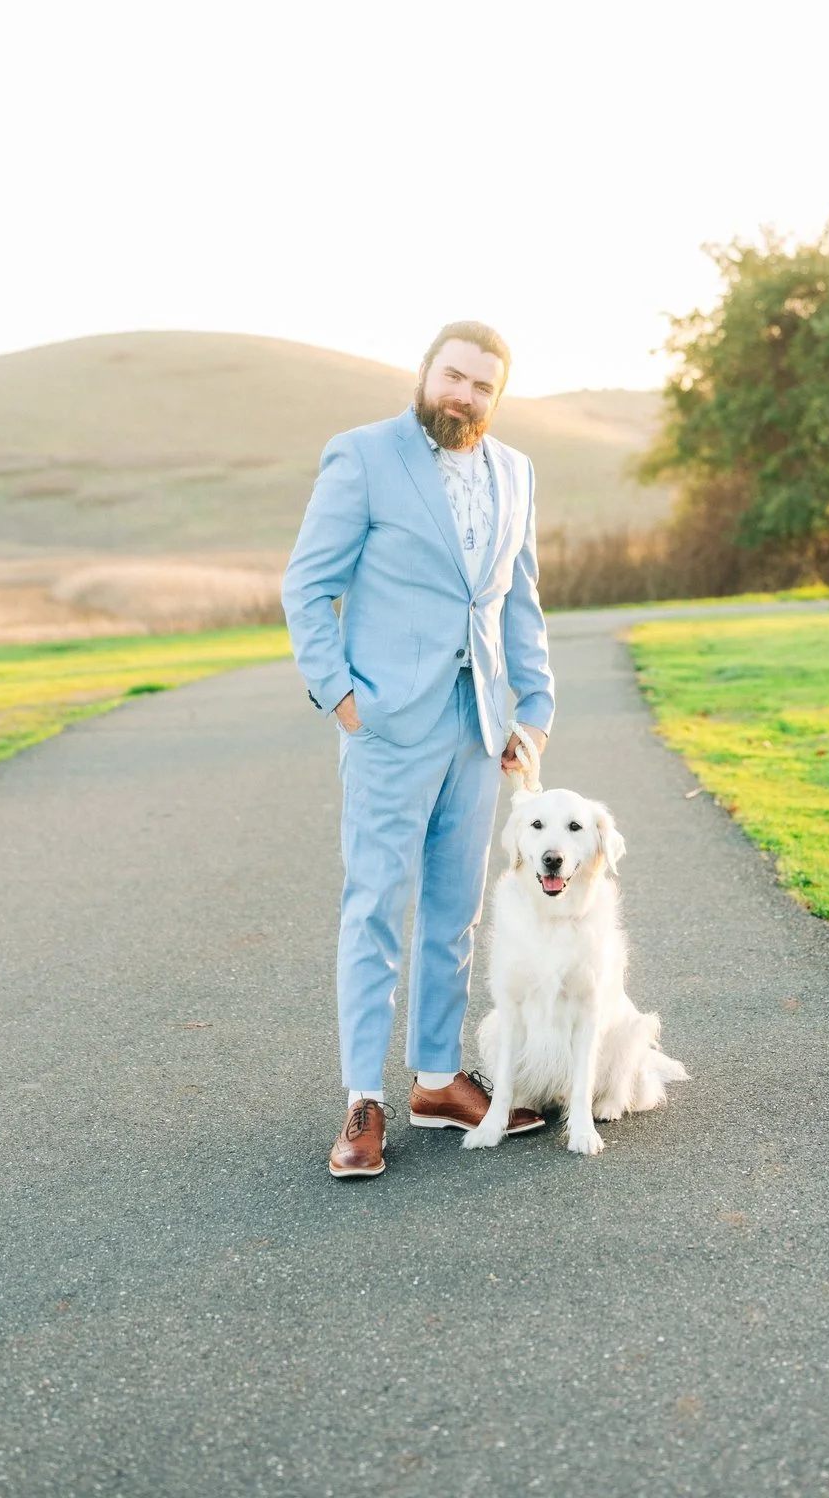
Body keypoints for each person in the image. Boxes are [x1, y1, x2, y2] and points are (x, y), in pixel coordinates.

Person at [281, 320, 555, 1178]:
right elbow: (307, 583)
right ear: (427, 372)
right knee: (375, 909)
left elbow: (517, 602)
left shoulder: (516, 473)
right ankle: (363, 1100)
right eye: (453, 375)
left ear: (495, 398)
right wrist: (341, 697)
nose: (462, 395)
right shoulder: (362, 456)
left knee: (453, 915)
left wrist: (532, 710)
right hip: (389, 728)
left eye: (481, 385)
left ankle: (437, 1083)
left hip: (481, 730)